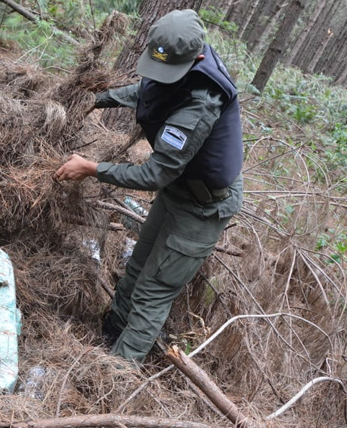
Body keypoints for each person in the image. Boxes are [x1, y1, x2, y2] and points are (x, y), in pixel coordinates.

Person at [53, 9, 243, 363]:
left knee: (153, 292)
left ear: (197, 57)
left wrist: (92, 168)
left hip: (201, 209)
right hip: (178, 190)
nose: (161, 75)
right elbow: (146, 89)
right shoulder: (177, 61)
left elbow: (155, 175)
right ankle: (109, 335)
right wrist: (94, 99)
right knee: (138, 267)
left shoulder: (202, 103)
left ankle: (116, 373)